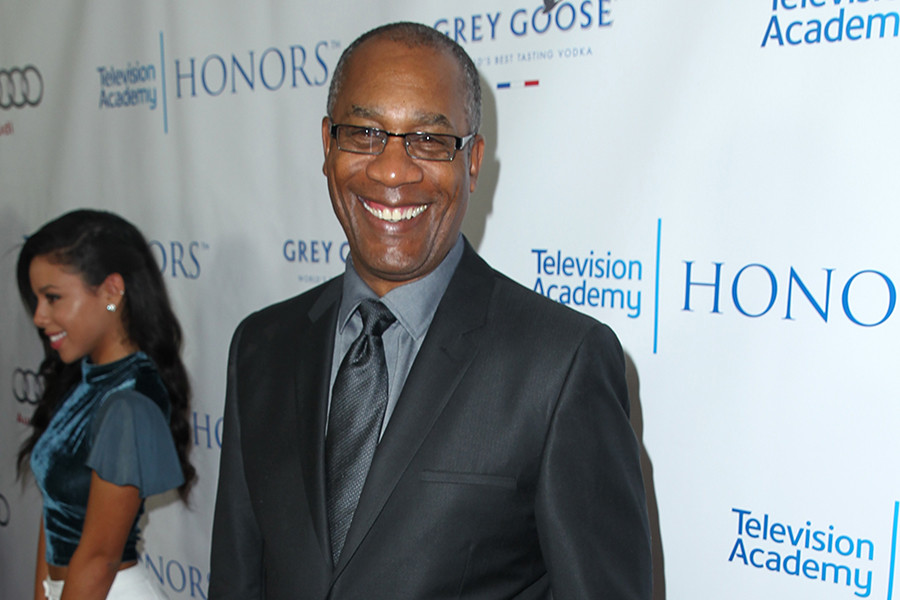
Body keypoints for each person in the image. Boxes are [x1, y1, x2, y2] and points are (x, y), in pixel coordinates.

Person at [209, 21, 651, 599]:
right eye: (365, 132)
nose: (392, 170)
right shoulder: (262, 345)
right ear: (327, 147)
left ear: (472, 161)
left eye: (429, 140)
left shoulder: (560, 365)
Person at [15, 209, 196, 600]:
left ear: (112, 291)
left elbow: (99, 559)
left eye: (53, 298)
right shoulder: (81, 382)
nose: (39, 316)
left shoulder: (129, 402)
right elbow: (54, 518)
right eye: (37, 299)